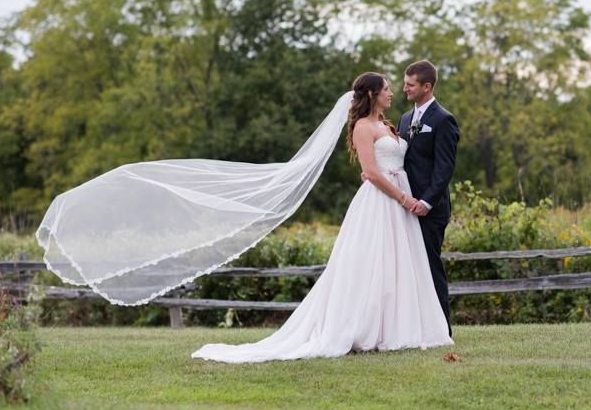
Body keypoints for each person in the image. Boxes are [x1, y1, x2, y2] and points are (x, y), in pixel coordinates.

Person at [191, 72, 453, 362]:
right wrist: (404, 198)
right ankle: (363, 328)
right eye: (387, 89)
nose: (393, 93)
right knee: (370, 263)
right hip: (384, 201)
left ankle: (400, 327)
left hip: (402, 201)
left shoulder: (390, 123)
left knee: (399, 264)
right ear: (371, 95)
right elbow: (372, 173)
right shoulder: (364, 127)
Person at [394, 60, 460, 333]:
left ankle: (441, 329)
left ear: (427, 86)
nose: (404, 89)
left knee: (430, 267)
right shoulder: (405, 119)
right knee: (407, 268)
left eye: (410, 85)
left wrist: (427, 202)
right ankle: (413, 326)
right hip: (404, 204)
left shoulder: (444, 119)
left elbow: (445, 168)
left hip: (430, 209)